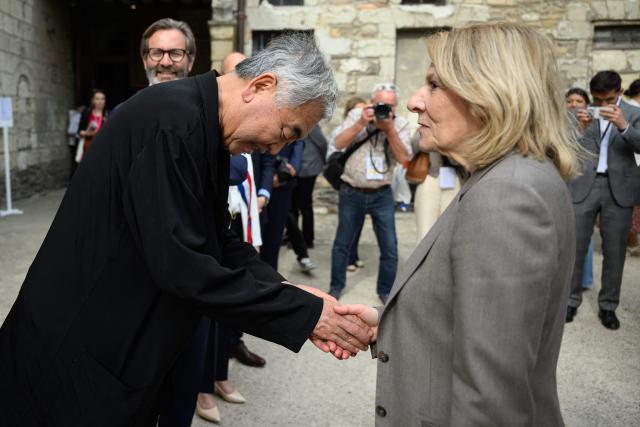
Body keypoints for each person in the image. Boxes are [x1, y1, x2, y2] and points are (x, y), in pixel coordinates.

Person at [0, 32, 372, 427]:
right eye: (286, 131)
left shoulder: (199, 122)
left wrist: (293, 292)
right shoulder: (171, 123)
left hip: (111, 351)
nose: (275, 150)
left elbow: (216, 239)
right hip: (76, 360)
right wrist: (308, 315)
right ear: (261, 87)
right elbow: (183, 265)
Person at [335, 23, 581, 425]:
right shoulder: (509, 178)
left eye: (433, 85)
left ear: (487, 94)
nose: (414, 102)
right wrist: (394, 321)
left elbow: (491, 404)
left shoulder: (507, 197)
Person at [567, 70, 640, 329]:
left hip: (618, 188)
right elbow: (564, 147)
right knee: (574, 246)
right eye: (597, 100)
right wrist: (581, 131)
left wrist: (623, 125)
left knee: (615, 250)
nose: (602, 106)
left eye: (607, 100)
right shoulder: (579, 114)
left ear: (619, 92)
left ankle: (608, 307)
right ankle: (571, 300)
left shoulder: (633, 113)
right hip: (583, 185)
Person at [328, 83, 411, 302]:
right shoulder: (358, 114)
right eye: (381, 104)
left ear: (396, 106)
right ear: (372, 102)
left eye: (391, 105)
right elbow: (338, 143)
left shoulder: (400, 124)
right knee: (342, 243)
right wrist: (361, 123)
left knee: (390, 247)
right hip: (351, 191)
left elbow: (404, 159)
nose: (386, 109)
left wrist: (389, 129)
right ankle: (336, 287)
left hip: (381, 194)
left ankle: (385, 291)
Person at [329, 96, 367, 272]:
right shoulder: (340, 130)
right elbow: (333, 153)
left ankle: (354, 254)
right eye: (357, 111)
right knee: (347, 224)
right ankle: (347, 259)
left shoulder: (369, 131)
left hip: (363, 183)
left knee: (358, 222)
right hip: (347, 182)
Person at [286, 124, 327, 272]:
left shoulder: (311, 124)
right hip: (297, 169)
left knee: (304, 205)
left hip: (308, 168)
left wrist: (322, 162)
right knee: (295, 206)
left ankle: (307, 239)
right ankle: (295, 238)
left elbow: (322, 143)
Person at [565, 87, 594, 289]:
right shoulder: (558, 125)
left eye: (578, 101)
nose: (574, 104)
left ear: (587, 104)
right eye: (570, 101)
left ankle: (584, 279)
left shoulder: (594, 124)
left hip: (584, 185)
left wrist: (584, 130)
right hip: (564, 183)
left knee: (584, 235)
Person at [76, 89, 107, 161]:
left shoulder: (107, 114)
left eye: (102, 99)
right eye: (97, 99)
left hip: (102, 148)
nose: (100, 101)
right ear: (92, 100)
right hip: (88, 147)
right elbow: (79, 132)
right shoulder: (86, 113)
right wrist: (88, 133)